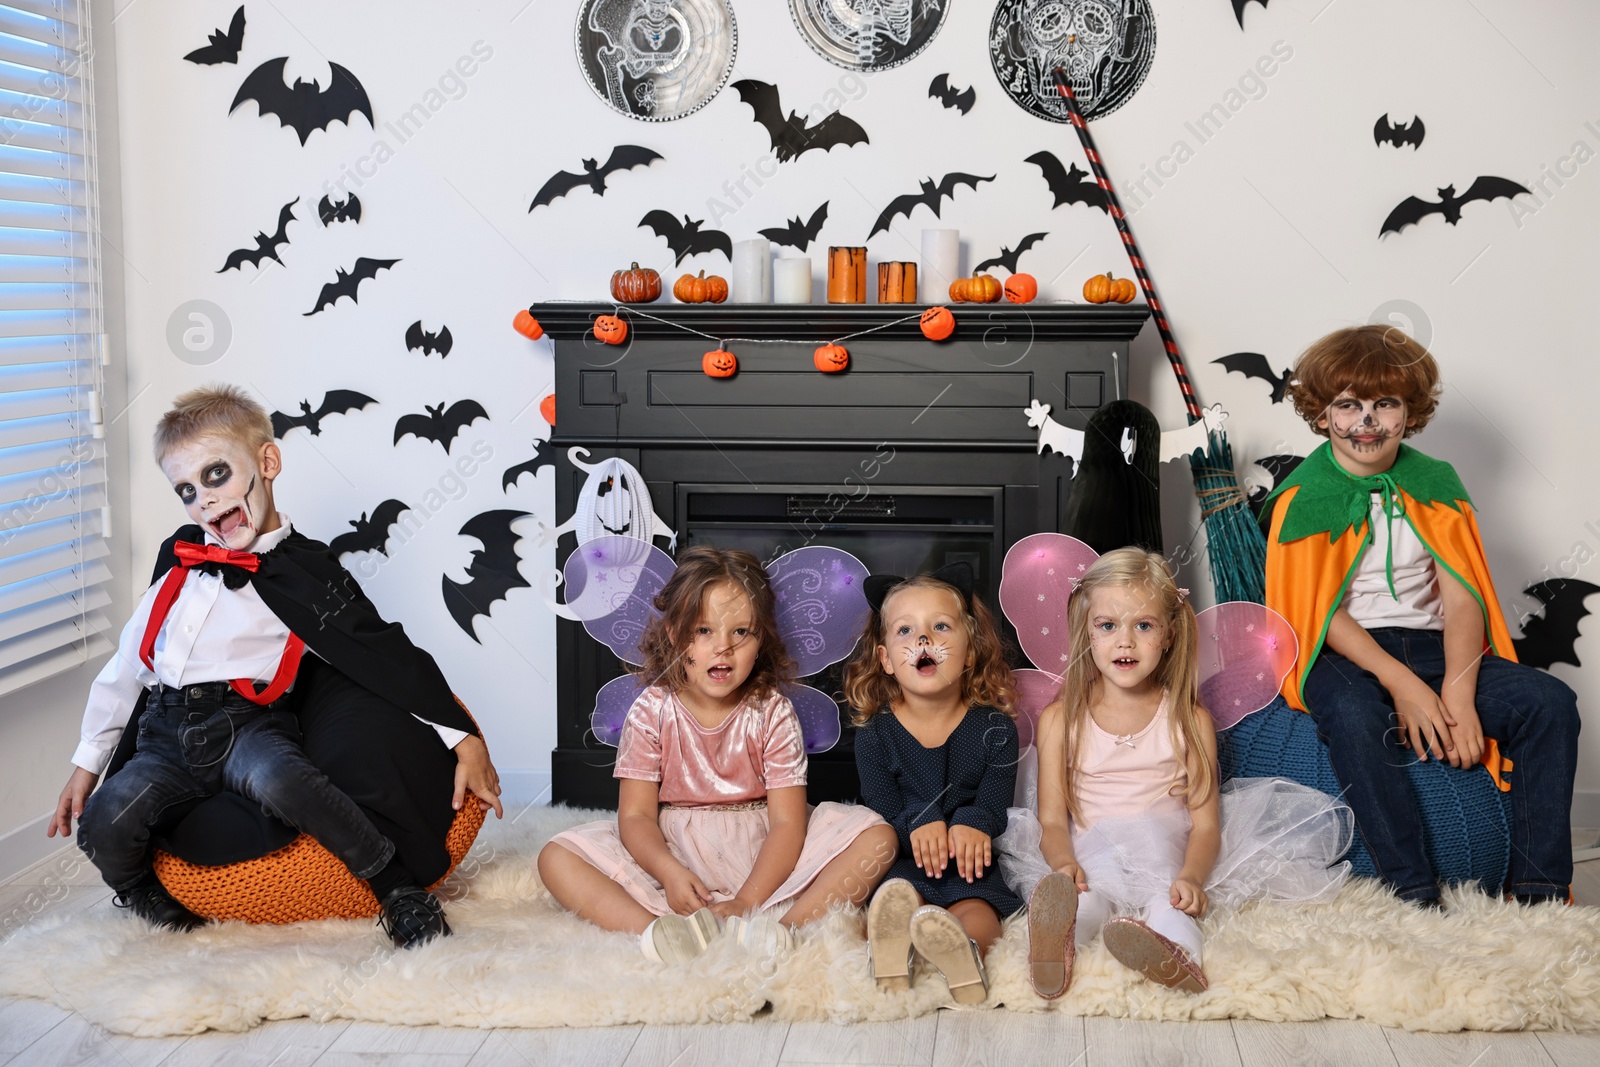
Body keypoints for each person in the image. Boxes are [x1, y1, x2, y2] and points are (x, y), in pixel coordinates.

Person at [49, 385, 503, 948]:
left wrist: (461, 738)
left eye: (216, 475)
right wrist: (87, 762)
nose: (205, 502)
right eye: (187, 490)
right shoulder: (179, 560)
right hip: (164, 737)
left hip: (250, 726)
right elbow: (127, 666)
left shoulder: (304, 572)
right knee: (103, 820)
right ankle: (147, 895)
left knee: (287, 781)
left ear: (267, 463)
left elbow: (379, 650)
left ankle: (396, 888)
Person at [1262, 325, 1580, 908]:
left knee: (1549, 703)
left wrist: (1457, 694)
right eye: (1348, 405)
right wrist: (1402, 685)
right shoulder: (1303, 497)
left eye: (1385, 404)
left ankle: (1539, 891)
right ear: (1323, 413)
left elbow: (1464, 598)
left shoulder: (1436, 485)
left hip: (1436, 643)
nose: (1367, 421)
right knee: (1356, 716)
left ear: (1409, 412)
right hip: (1342, 649)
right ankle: (1412, 889)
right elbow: (1316, 611)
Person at [999, 548, 1353, 996]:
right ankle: (1052, 947)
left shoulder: (1187, 720)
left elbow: (1206, 824)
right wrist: (1063, 863)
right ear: (1086, 633)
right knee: (1083, 902)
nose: (1124, 641)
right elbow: (1051, 819)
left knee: (1171, 906)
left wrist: (1191, 877)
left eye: (1143, 625)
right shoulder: (1061, 720)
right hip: (1089, 856)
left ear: (1168, 634)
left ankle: (1176, 959)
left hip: (1167, 856)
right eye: (1108, 626)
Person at [538, 546, 895, 963]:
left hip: (764, 857)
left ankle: (783, 931)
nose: (722, 648)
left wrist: (746, 900)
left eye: (740, 632)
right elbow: (635, 816)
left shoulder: (772, 710)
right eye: (703, 631)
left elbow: (787, 823)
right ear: (673, 633)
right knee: (556, 857)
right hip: (674, 852)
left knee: (879, 837)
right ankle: (659, 932)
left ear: (760, 638)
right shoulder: (653, 709)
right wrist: (668, 872)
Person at [846, 563, 1025, 1006]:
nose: (923, 641)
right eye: (906, 631)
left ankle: (961, 955)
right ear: (886, 659)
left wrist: (973, 822)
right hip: (907, 862)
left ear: (970, 652)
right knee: (893, 902)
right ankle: (893, 951)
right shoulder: (876, 731)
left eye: (940, 627)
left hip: (968, 863)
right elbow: (881, 801)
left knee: (981, 916)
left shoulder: (996, 728)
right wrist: (917, 822)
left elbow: (995, 799)